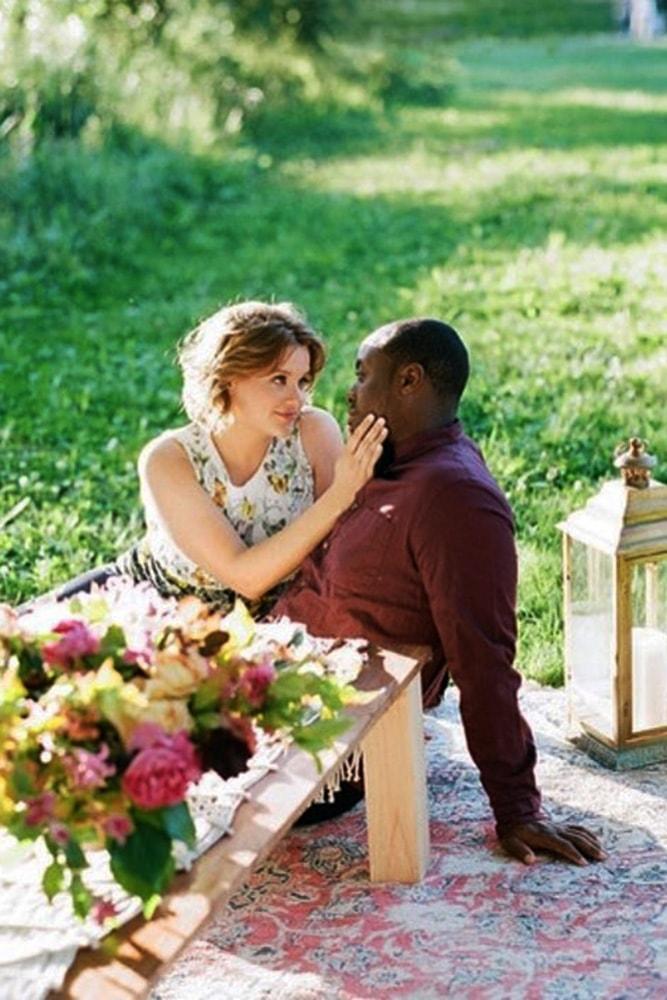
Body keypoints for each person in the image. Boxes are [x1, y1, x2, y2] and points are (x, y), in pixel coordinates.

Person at [274, 317, 607, 867]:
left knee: (117, 748)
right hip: (273, 668)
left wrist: (517, 806)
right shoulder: (387, 459)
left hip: (322, 739)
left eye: (363, 375)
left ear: (410, 381)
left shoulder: (455, 498)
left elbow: (483, 657)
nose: (350, 393)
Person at [53, 301, 386, 614]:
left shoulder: (314, 432)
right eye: (278, 380)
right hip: (154, 605)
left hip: (276, 619)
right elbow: (246, 577)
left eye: (302, 381)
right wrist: (343, 494)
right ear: (228, 379)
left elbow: (337, 549)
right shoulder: (169, 459)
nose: (295, 398)